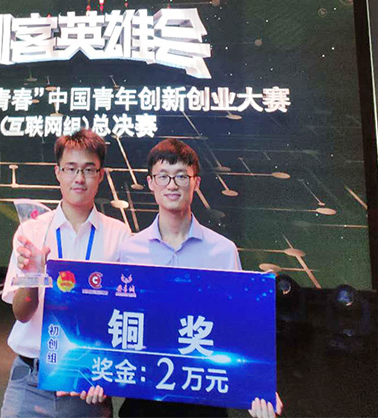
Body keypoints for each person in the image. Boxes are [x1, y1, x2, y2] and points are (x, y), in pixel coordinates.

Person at [117, 139, 283, 418]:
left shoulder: (222, 250)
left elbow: (238, 327)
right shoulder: (130, 250)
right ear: (150, 183)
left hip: (205, 400)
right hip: (145, 401)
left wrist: (259, 385)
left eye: (182, 176)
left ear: (196, 183)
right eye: (163, 176)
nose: (172, 185)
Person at [0, 129, 132, 418]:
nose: (79, 178)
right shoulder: (31, 231)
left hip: (88, 381)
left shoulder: (119, 235)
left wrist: (105, 374)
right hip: (31, 379)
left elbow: (123, 315)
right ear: (57, 172)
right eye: (71, 168)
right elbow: (22, 314)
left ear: (101, 174)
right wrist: (33, 275)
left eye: (88, 169)